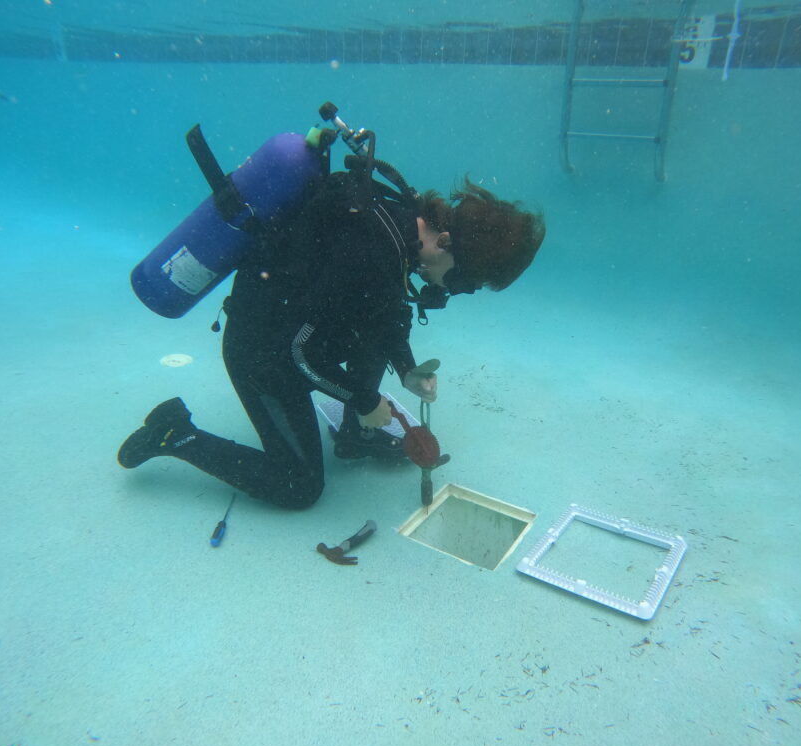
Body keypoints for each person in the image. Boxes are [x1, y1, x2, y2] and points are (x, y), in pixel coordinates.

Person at [117, 163, 546, 509]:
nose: (450, 291)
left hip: (305, 335)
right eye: (462, 282)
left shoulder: (401, 228)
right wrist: (364, 400)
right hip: (263, 354)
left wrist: (406, 369)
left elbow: (385, 311)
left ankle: (355, 435)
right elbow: (296, 350)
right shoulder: (368, 251)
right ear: (447, 239)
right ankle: (174, 433)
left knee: (369, 337)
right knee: (298, 488)